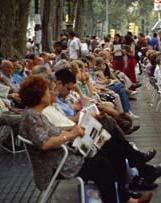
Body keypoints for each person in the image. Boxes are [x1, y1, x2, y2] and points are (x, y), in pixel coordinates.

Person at [18, 75, 153, 203]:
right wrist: (71, 135)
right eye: (47, 91)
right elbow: (44, 144)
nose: (50, 93)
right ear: (40, 96)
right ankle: (123, 195)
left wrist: (76, 130)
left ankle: (125, 196)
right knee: (102, 163)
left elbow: (54, 133)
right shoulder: (32, 117)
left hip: (64, 158)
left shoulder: (35, 115)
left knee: (112, 149)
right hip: (58, 165)